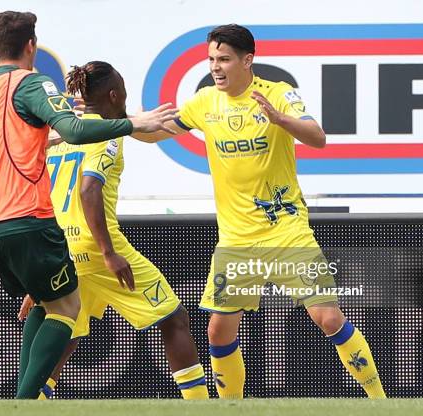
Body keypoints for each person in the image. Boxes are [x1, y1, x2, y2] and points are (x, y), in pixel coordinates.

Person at [133, 24, 386, 399]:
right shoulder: (204, 101)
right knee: (218, 332)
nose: (215, 67)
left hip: (286, 231)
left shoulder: (279, 94)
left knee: (329, 318)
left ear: (247, 60)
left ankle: (382, 402)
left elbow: (318, 138)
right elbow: (156, 133)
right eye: (211, 60)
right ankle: (230, 407)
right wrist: (123, 124)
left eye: (224, 59)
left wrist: (281, 120)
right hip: (236, 239)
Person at [0, 11, 177, 399]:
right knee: (66, 308)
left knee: (46, 301)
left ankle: (29, 400)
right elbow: (74, 130)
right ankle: (22, 404)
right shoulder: (32, 83)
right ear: (31, 45)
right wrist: (133, 124)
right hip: (25, 216)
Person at [18, 61, 209, 400]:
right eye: (124, 94)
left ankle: (33, 403)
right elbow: (89, 189)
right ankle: (202, 406)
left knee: (65, 333)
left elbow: (38, 196)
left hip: (59, 250)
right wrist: (109, 253)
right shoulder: (108, 134)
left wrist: (39, 268)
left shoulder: (58, 136)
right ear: (114, 95)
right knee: (173, 317)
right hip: (94, 248)